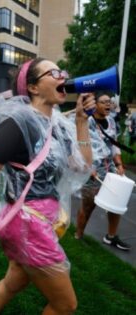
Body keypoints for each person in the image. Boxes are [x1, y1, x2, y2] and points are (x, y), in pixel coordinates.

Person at [0, 58, 95, 314]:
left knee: (12, 284)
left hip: (38, 222)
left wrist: (81, 122)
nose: (62, 76)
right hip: (27, 225)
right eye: (54, 72)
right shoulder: (17, 125)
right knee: (65, 305)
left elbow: (83, 167)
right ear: (33, 87)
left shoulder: (58, 127)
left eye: (63, 71)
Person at [75, 91, 131, 251]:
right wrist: (88, 168)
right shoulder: (85, 121)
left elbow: (114, 144)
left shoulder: (111, 121)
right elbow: (78, 146)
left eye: (109, 102)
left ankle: (111, 237)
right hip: (92, 169)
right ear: (94, 104)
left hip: (110, 168)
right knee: (88, 205)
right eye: (104, 102)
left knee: (116, 203)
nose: (108, 104)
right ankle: (78, 235)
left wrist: (119, 163)